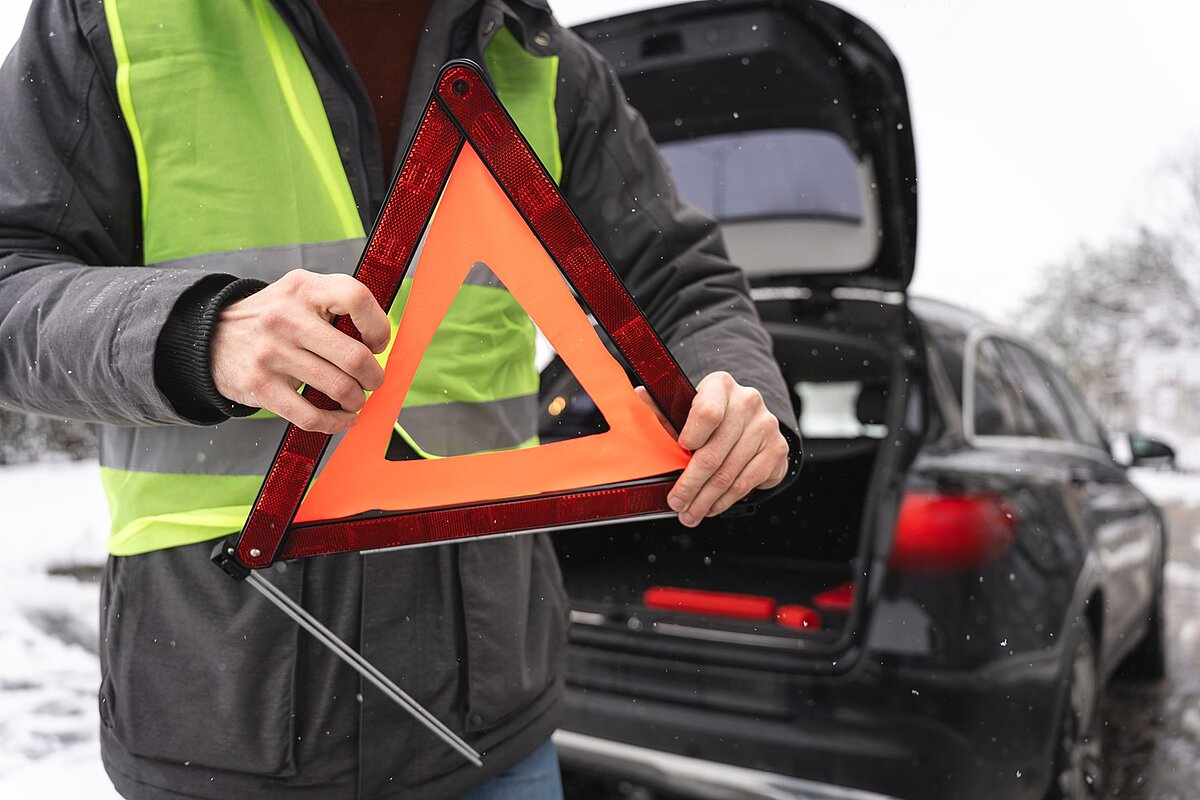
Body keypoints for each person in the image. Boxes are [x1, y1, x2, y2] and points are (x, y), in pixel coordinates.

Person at [0, 1, 799, 798]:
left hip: (496, 729)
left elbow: (684, 282)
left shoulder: (538, 54)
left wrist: (735, 389)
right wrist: (198, 334)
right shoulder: (114, 18)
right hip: (218, 720)